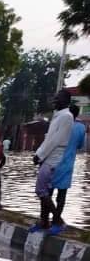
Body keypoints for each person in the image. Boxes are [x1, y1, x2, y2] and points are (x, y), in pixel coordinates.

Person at [31, 89, 74, 233]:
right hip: (46, 157)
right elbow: (49, 138)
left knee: (41, 190)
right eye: (55, 98)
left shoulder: (66, 117)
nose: (55, 100)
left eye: (58, 98)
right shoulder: (58, 116)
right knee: (45, 192)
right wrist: (39, 155)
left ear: (66, 101)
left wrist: (40, 155)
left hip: (52, 158)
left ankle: (58, 221)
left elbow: (54, 141)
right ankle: (44, 222)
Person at [49, 104, 85, 233]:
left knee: (47, 193)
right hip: (67, 165)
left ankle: (47, 219)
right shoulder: (81, 127)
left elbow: (49, 140)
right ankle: (56, 220)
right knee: (61, 196)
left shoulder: (59, 123)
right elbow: (80, 145)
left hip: (52, 162)